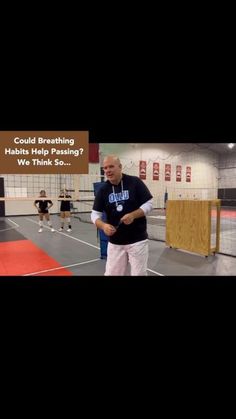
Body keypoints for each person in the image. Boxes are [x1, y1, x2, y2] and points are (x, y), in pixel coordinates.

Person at [91, 155, 153, 276]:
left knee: (139, 274)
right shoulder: (103, 190)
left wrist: (133, 215)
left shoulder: (135, 182)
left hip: (137, 240)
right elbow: (94, 215)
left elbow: (149, 204)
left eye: (111, 166)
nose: (108, 170)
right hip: (115, 242)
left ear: (120, 167)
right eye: (105, 168)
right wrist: (103, 226)